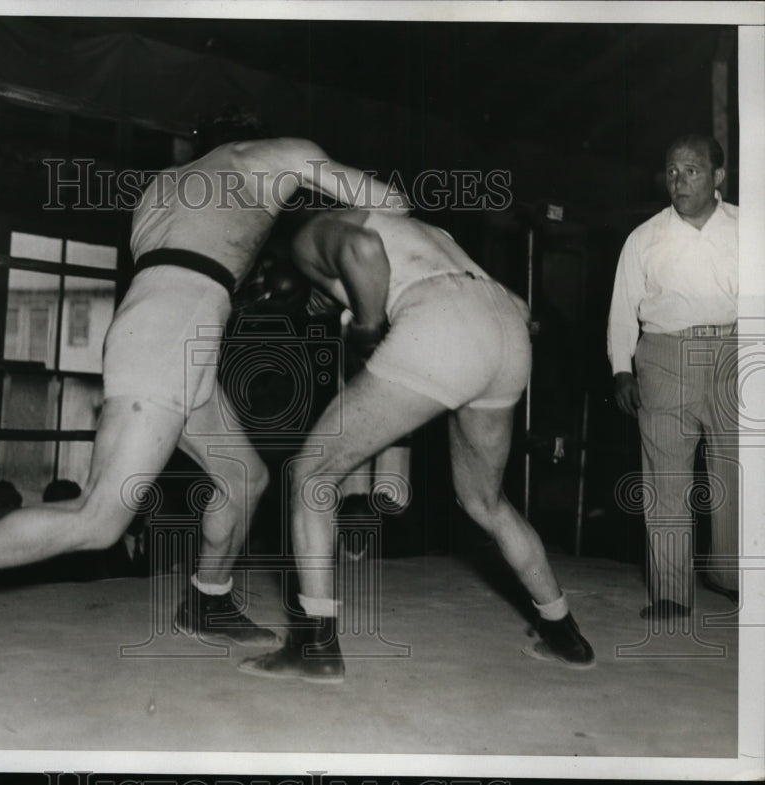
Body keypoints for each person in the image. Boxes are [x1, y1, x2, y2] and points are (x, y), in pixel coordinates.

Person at [0, 110, 409, 672]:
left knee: (242, 476)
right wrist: (326, 266)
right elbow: (388, 201)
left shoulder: (163, 189)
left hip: (170, 319)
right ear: (254, 136)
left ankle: (208, 601)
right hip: (174, 326)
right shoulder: (275, 154)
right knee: (101, 518)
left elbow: (194, 264)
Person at [238, 208, 596, 683]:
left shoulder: (309, 232)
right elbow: (520, 308)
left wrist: (366, 326)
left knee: (311, 475)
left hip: (440, 325)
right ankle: (564, 634)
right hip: (505, 329)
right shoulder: (428, 233)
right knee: (485, 500)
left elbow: (361, 251)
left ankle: (315, 646)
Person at [606, 133, 739, 620]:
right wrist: (622, 370)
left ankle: (733, 578)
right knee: (666, 477)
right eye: (672, 171)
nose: (679, 182)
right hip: (663, 355)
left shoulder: (749, 227)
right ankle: (670, 592)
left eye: (692, 171)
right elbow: (622, 310)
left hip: (732, 352)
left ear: (718, 177)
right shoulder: (644, 238)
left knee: (737, 472)